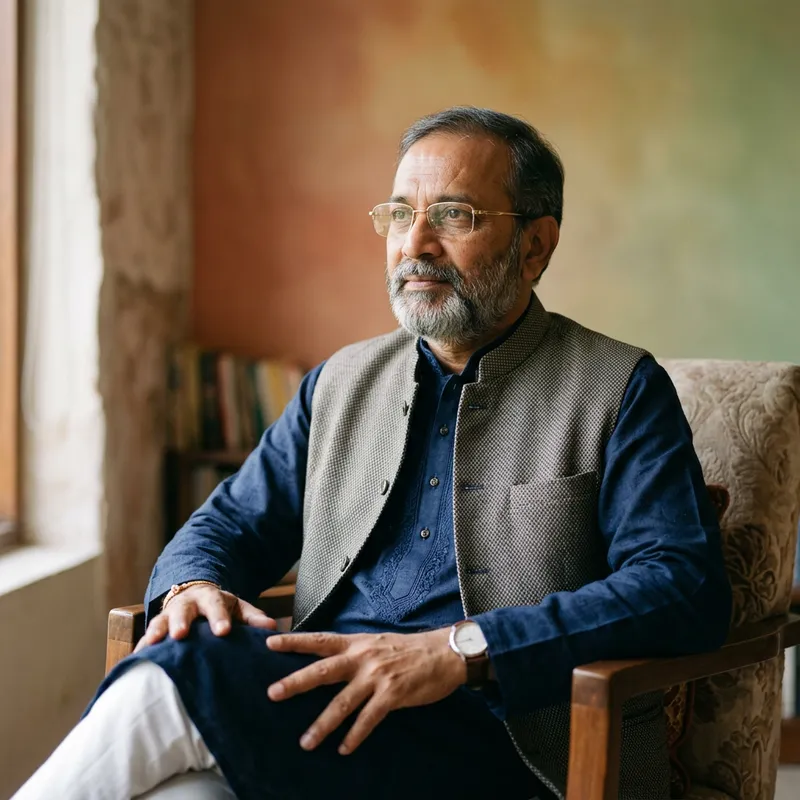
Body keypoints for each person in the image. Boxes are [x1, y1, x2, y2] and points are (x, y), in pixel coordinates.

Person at [13, 107, 732, 800]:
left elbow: (683, 587)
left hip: (510, 742)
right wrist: (189, 587)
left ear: (536, 246)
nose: (414, 243)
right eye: (398, 213)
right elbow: (227, 525)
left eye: (454, 215)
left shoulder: (620, 388)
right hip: (333, 715)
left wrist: (459, 651)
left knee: (184, 672)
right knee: (180, 786)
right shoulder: (341, 383)